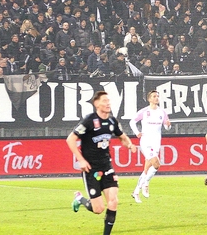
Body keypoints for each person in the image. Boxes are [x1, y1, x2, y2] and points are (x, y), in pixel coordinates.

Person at [67, 90, 137, 235]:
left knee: (114, 201)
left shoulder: (112, 121)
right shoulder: (89, 121)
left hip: (107, 167)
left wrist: (129, 144)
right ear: (96, 104)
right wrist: (81, 159)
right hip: (91, 169)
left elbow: (122, 137)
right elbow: (70, 139)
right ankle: (80, 199)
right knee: (98, 209)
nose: (108, 103)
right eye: (104, 101)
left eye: (109, 101)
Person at [128, 90, 171, 202]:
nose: (156, 98)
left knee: (147, 169)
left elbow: (166, 126)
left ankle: (136, 191)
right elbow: (132, 122)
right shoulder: (144, 111)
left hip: (156, 142)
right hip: (146, 142)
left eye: (157, 96)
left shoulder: (162, 112)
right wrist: (137, 132)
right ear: (149, 99)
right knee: (156, 164)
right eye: (154, 96)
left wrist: (168, 126)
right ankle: (146, 183)